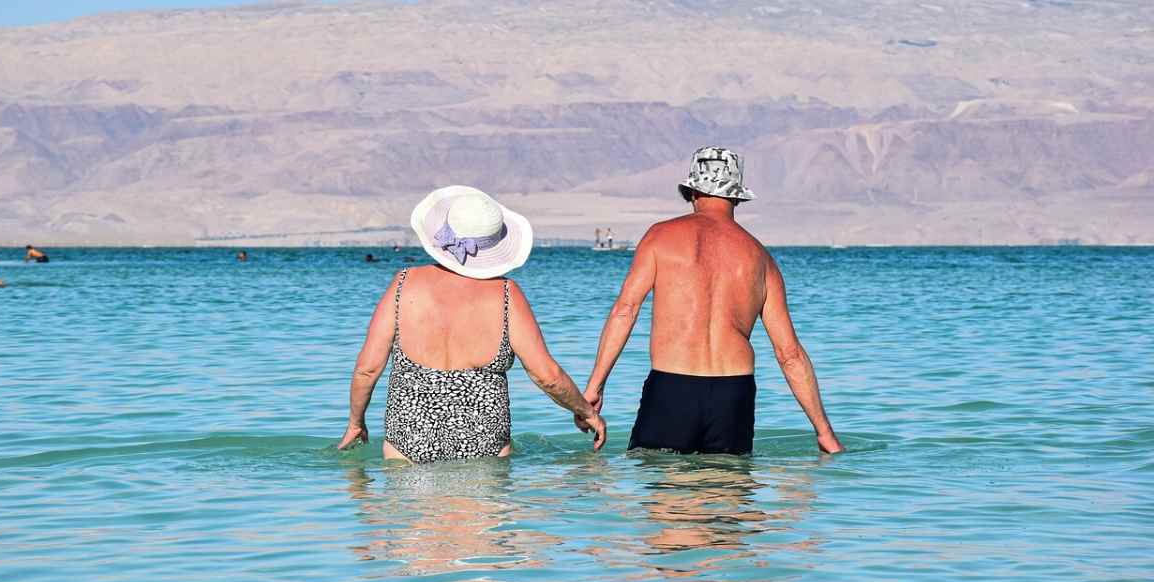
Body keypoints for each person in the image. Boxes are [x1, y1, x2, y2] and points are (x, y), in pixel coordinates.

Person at [580, 146, 843, 455]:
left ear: (691, 191)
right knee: (729, 494)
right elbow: (789, 354)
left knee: (668, 497)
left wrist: (596, 385)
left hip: (672, 387)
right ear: (736, 197)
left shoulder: (660, 237)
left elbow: (625, 311)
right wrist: (824, 431)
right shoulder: (760, 257)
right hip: (734, 393)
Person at [338, 185, 606, 462]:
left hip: (406, 445)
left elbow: (367, 369)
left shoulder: (403, 285)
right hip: (485, 447)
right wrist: (587, 412)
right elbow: (546, 376)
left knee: (410, 504)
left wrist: (355, 422)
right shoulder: (506, 295)